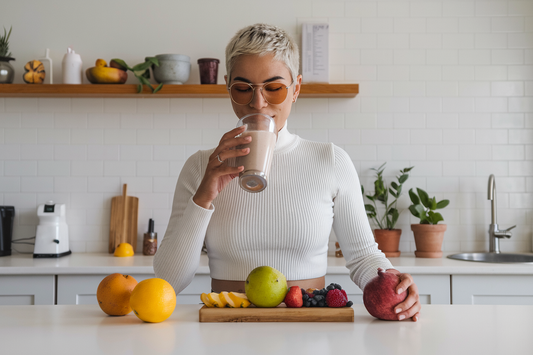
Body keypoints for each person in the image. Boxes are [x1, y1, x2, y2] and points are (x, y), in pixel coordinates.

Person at [154, 23, 421, 321]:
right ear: (228, 87)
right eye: (243, 89)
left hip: (308, 327)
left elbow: (362, 257)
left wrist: (395, 282)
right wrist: (204, 195)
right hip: (227, 327)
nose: (258, 102)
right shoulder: (200, 167)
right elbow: (169, 280)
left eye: (274, 88)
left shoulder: (330, 160)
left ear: (296, 89)